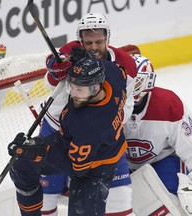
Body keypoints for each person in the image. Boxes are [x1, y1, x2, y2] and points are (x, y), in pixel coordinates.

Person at [38, 13, 139, 216]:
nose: (94, 47)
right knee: (47, 196)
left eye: (99, 42)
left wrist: (106, 125)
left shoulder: (125, 63)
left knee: (119, 199)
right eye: (89, 42)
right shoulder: (69, 53)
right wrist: (56, 71)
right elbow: (48, 84)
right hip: (57, 128)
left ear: (108, 39)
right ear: (80, 40)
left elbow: (127, 103)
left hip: (104, 139)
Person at [8, 55, 129, 216]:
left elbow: (76, 169)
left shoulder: (89, 125)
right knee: (21, 165)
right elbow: (120, 70)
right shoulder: (112, 73)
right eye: (72, 86)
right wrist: (76, 58)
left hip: (96, 167)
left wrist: (39, 152)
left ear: (96, 87)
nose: (73, 94)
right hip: (74, 141)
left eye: (80, 89)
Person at [124, 54, 192, 215]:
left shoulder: (168, 104)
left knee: (180, 204)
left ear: (148, 81)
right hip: (121, 165)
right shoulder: (109, 102)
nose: (131, 86)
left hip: (162, 160)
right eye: (127, 80)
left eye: (136, 81)